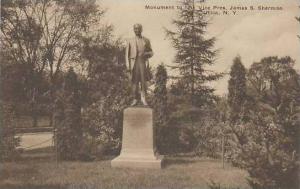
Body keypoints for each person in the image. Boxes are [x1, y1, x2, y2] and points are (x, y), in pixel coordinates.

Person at [125, 24, 153, 106]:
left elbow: (151, 52)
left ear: (141, 29)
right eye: (135, 29)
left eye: (138, 29)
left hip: (142, 62)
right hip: (133, 63)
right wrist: (128, 66)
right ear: (133, 30)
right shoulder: (130, 40)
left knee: (143, 81)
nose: (136, 30)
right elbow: (126, 55)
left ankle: (143, 98)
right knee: (134, 81)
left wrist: (146, 54)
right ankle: (135, 99)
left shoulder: (146, 40)